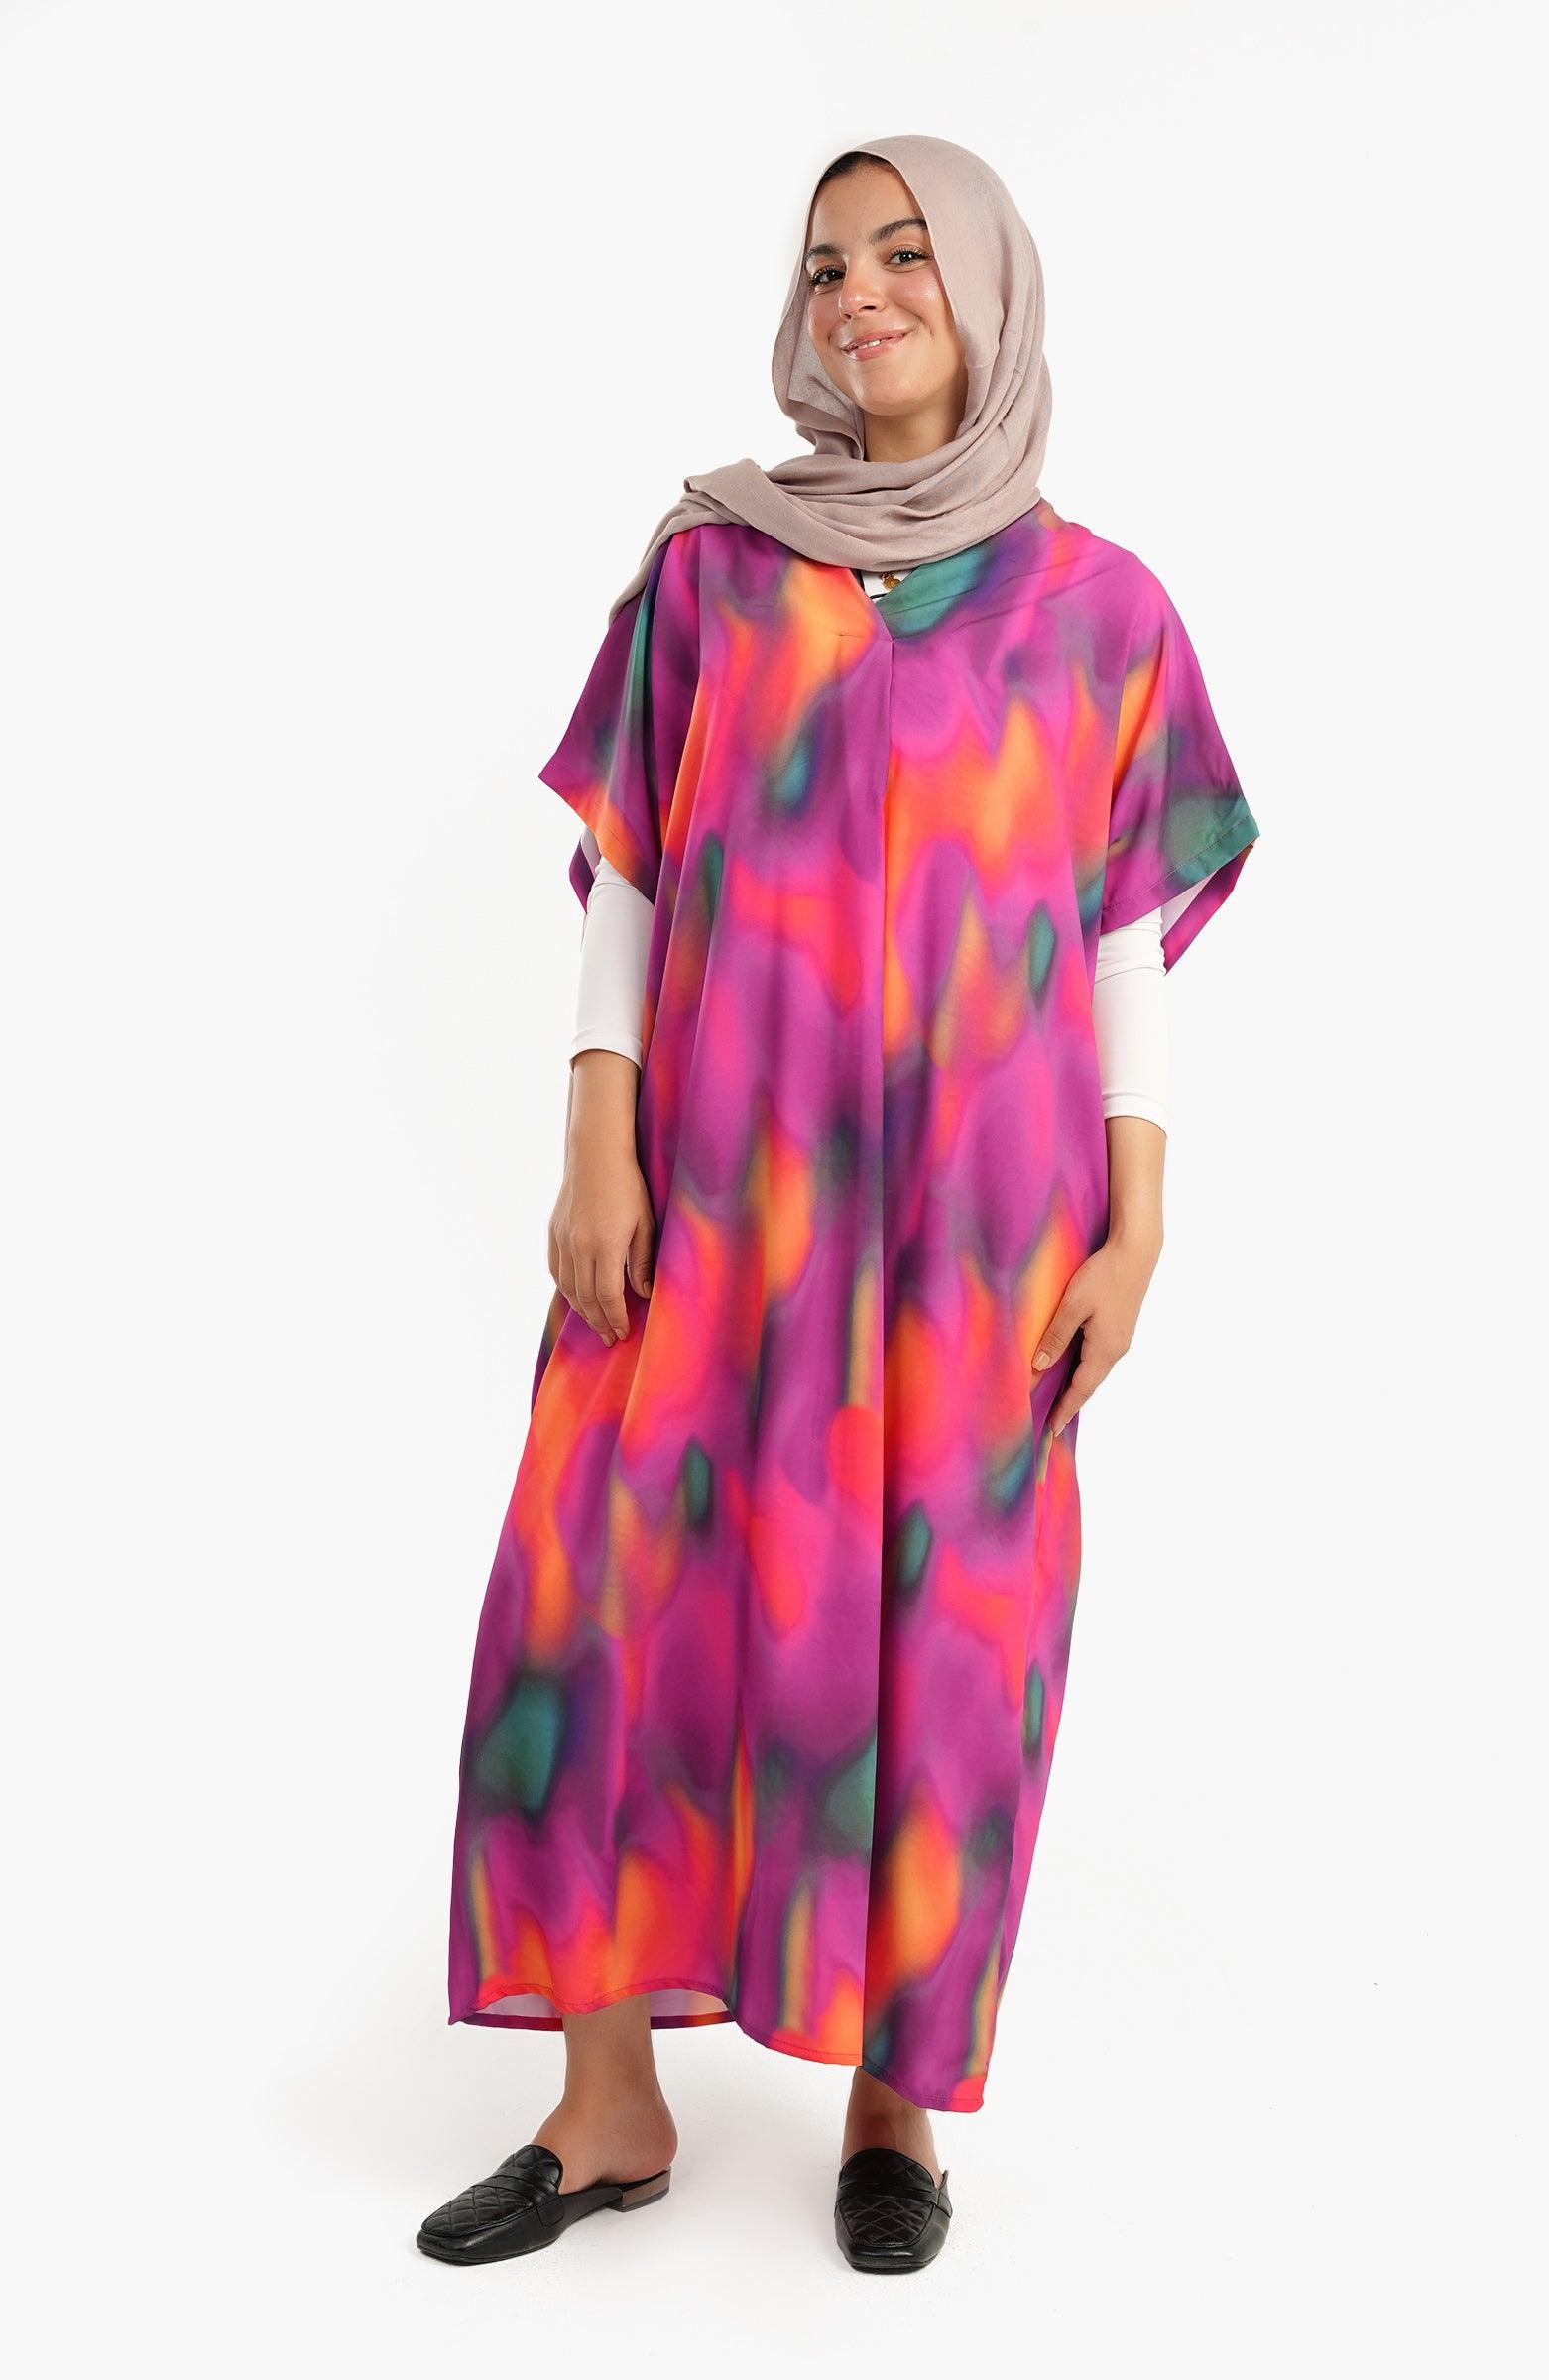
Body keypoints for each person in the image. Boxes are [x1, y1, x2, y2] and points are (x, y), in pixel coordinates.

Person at [417, 132, 1260, 2277]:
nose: (860, 292)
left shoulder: (1103, 612)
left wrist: (1140, 1216)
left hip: (979, 1235)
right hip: (715, 1200)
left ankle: (895, 2107)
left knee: (942, 1646)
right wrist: (594, 1130)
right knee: (595, 1597)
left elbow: (1119, 931)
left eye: (904, 253)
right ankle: (607, 2101)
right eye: (824, 264)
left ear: (988, 287)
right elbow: (633, 862)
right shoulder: (715, 568)